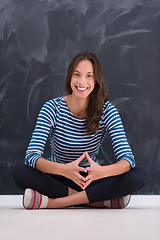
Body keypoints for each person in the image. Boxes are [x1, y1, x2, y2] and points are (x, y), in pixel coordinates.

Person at [13, 51, 146, 209]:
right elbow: (32, 156)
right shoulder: (51, 108)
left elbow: (128, 160)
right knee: (20, 171)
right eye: (77, 74)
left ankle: (54, 203)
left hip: (91, 178)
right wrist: (64, 170)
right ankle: (100, 201)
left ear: (96, 80)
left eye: (89, 76)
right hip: (57, 176)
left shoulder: (108, 111)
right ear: (70, 77)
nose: (82, 81)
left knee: (138, 176)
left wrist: (101, 172)